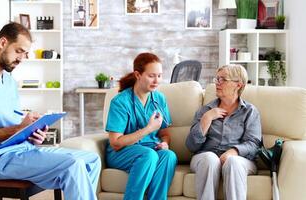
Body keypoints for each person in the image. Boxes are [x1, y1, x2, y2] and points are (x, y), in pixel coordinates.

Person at [0, 22, 100, 200]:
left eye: (25, 53)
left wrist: (31, 133)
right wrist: (18, 129)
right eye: (19, 51)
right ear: (3, 43)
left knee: (92, 159)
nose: (22, 58)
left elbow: (12, 125)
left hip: (24, 151)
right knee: (73, 165)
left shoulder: (9, 81)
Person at [105, 52, 177, 200]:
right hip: (122, 152)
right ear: (138, 75)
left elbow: (165, 133)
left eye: (160, 75)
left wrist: (165, 143)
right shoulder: (120, 102)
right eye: (151, 76)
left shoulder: (159, 99)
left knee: (169, 156)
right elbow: (116, 143)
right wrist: (148, 129)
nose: (157, 81)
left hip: (151, 148)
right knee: (148, 155)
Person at [186, 64, 262, 200]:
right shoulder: (205, 110)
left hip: (240, 160)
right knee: (210, 158)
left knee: (233, 162)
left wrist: (234, 151)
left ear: (238, 85)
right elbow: (191, 146)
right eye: (217, 79)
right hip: (205, 157)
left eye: (223, 79)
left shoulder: (249, 111)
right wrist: (206, 119)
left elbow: (254, 143)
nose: (217, 83)